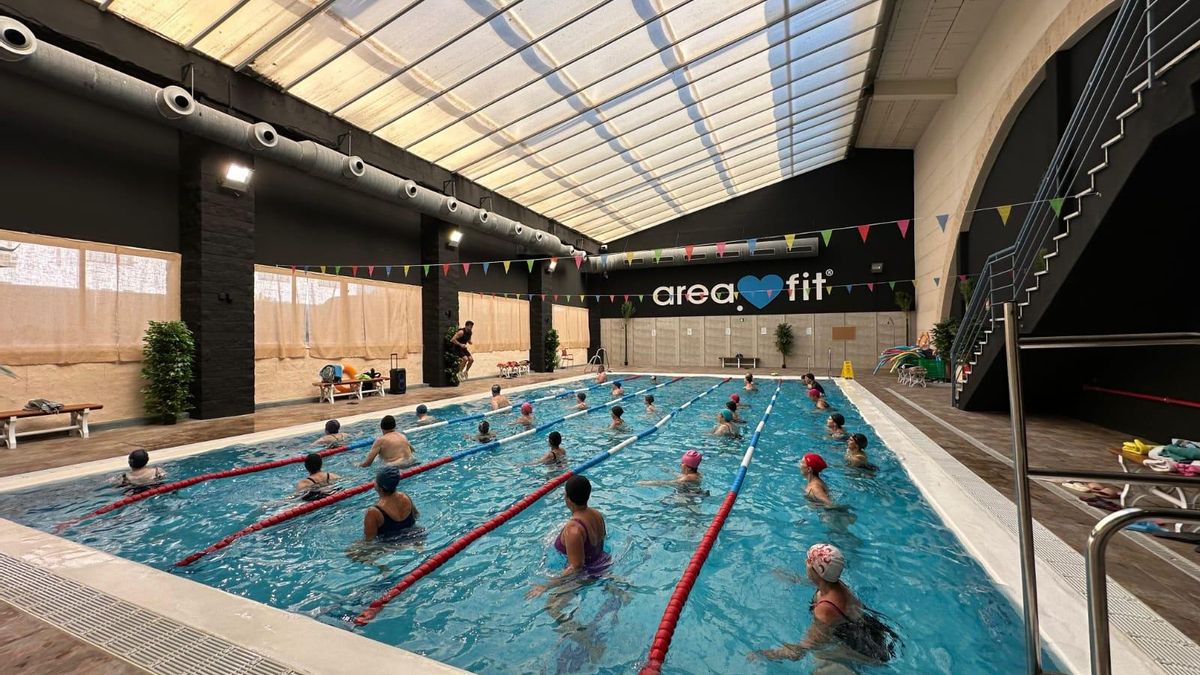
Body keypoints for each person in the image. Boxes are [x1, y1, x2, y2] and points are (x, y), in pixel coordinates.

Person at [750, 544, 899, 664]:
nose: (805, 563)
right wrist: (794, 579)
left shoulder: (825, 608)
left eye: (809, 561)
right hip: (878, 632)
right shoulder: (837, 583)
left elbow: (802, 649)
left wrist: (767, 654)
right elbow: (820, 580)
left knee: (819, 660)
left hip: (869, 652)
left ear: (816, 572)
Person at [527, 475, 610, 598]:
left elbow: (576, 567)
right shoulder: (597, 515)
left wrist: (546, 586)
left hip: (585, 575)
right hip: (603, 563)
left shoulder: (574, 529)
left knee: (552, 609)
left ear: (568, 498)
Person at [363, 466, 419, 541]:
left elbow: (369, 541)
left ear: (381, 489)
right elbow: (416, 515)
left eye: (375, 480)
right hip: (416, 537)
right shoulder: (406, 497)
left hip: (390, 547)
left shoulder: (373, 512)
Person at [639, 450, 703, 487]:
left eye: (682, 463)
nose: (680, 464)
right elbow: (683, 476)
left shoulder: (687, 478)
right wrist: (670, 472)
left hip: (686, 495)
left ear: (688, 468)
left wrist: (648, 483)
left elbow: (668, 483)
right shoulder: (697, 474)